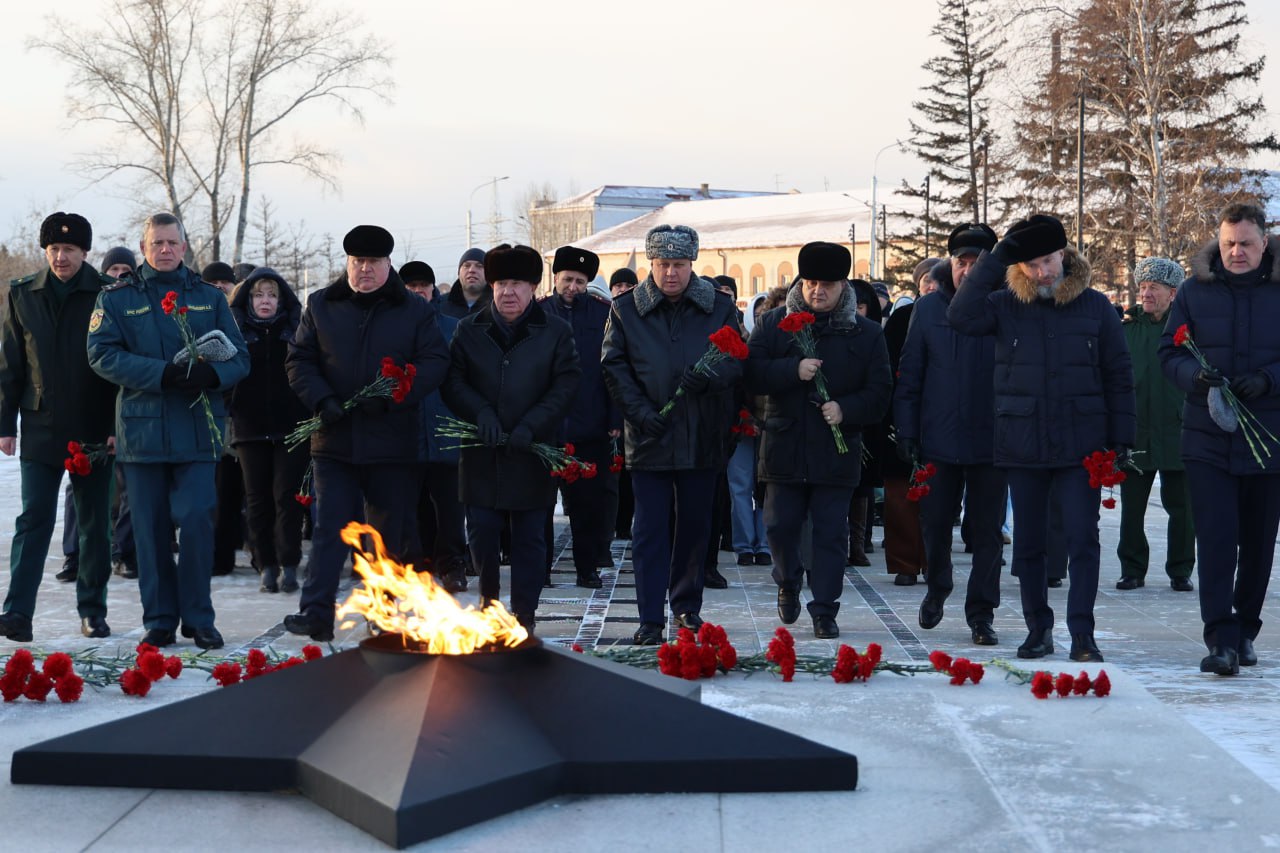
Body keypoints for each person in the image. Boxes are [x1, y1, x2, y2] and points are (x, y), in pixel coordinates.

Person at [948, 213, 1135, 663]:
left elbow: (1119, 375)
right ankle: (1038, 630)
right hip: (1023, 440)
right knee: (1029, 544)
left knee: (1081, 540)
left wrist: (1121, 439)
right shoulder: (1004, 304)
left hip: (1082, 444)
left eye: (1048, 261)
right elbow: (960, 314)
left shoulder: (1095, 307)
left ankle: (1083, 635)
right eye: (1031, 265)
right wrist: (995, 259)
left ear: (1065, 256)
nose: (1042, 272)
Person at [87, 212, 250, 649]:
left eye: (171, 242)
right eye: (156, 243)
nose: (164, 250)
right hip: (143, 437)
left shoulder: (208, 298)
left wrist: (211, 377)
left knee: (197, 521)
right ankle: (159, 619)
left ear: (183, 246)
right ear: (144, 248)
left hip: (197, 431)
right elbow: (101, 354)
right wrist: (163, 374)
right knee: (150, 528)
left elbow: (240, 358)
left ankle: (199, 618)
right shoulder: (117, 299)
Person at [284, 225, 449, 641]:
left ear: (388, 264)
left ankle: (383, 613)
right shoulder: (322, 304)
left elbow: (433, 361)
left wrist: (393, 396)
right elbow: (299, 360)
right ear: (348, 263)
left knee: (387, 535)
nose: (364, 270)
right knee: (330, 528)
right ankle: (316, 612)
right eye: (357, 262)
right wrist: (322, 400)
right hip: (334, 439)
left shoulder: (413, 309)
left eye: (373, 263)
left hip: (391, 441)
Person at [602, 225, 741, 645]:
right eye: (662, 265)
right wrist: (641, 414)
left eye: (678, 265)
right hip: (648, 438)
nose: (670, 274)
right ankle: (649, 617)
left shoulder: (717, 307)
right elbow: (613, 366)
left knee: (695, 528)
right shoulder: (627, 310)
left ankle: (686, 608)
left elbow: (738, 358)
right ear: (651, 264)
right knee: (649, 531)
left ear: (691, 265)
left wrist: (711, 378)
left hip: (701, 436)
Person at [746, 242, 892, 638]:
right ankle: (788, 581)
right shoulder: (774, 323)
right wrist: (792, 369)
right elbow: (752, 375)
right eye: (810, 283)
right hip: (784, 445)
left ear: (843, 285)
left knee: (830, 534)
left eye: (826, 284)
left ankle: (825, 608)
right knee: (778, 524)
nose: (817, 292)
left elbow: (880, 392)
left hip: (836, 450)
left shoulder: (866, 333)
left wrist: (846, 410)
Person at [1159, 202, 1280, 676]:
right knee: (1214, 539)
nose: (1236, 252)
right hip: (1207, 439)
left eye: (1245, 244)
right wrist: (1195, 376)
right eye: (1228, 243)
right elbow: (1169, 353)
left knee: (1257, 542)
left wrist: (1270, 379)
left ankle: (1245, 629)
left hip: (1269, 438)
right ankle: (1220, 639)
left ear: (1263, 243)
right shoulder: (1193, 291)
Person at [442, 244, 580, 630]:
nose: (508, 292)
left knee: (530, 539)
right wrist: (479, 412)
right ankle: (488, 606)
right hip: (482, 450)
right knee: (482, 533)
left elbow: (566, 383)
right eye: (501, 283)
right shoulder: (469, 330)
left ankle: (525, 615)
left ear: (534, 287)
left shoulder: (555, 331)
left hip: (530, 450)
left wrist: (533, 424)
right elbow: (453, 380)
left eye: (517, 283)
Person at [0, 213, 120, 643]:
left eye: (69, 249)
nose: (60, 256)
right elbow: (10, 365)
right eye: (53, 249)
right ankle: (17, 612)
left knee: (93, 526)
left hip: (93, 431)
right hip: (41, 426)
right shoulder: (23, 295)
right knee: (33, 518)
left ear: (84, 252)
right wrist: (4, 424)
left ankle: (93, 611)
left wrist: (112, 426)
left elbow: (118, 370)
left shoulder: (108, 295)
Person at [896, 223, 1007, 646]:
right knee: (936, 524)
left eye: (976, 264)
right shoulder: (927, 310)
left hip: (992, 442)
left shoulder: (1005, 305)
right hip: (938, 441)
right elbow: (910, 375)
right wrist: (906, 430)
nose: (967, 270)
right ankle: (937, 587)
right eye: (961, 263)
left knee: (987, 533)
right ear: (950, 265)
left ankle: (981, 613)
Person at [538, 245, 620, 589]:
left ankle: (587, 568)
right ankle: (539, 569)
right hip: (545, 426)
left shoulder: (603, 314)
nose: (573, 287)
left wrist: (615, 416)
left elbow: (614, 367)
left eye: (581, 281)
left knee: (588, 507)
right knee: (540, 504)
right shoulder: (538, 312)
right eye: (568, 279)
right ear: (555, 278)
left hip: (590, 424)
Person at [227, 267, 309, 594]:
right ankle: (266, 565)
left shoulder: (297, 333)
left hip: (290, 427)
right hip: (249, 427)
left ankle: (289, 563)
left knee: (287, 497)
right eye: (258, 295)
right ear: (247, 300)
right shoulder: (234, 333)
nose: (265, 301)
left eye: (272, 295)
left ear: (281, 301)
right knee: (257, 500)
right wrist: (232, 403)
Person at [1116, 257, 1194, 593]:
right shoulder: (1126, 328)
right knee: (1132, 509)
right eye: (1143, 287)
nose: (1146, 293)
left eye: (1154, 288)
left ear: (1173, 293)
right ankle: (1132, 569)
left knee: (1183, 509)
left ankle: (1181, 570)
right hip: (1138, 430)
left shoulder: (1188, 331)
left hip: (1179, 429)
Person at [403, 264, 468, 593]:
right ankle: (414, 565)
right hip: (405, 431)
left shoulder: (452, 327)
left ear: (433, 290)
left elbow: (465, 376)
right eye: (410, 286)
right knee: (409, 505)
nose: (417, 292)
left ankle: (452, 563)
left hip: (447, 428)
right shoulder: (393, 327)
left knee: (450, 506)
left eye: (422, 286)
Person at [201, 260, 246, 576]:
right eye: (212, 284)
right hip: (213, 414)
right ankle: (219, 555)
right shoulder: (200, 318)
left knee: (246, 491)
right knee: (219, 491)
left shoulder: (243, 318)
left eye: (224, 284)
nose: (219, 289)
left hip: (245, 415)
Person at [439, 248, 491, 319]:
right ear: (458, 273)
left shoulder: (498, 306)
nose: (471, 270)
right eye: (466, 266)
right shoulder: (439, 305)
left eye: (479, 266)